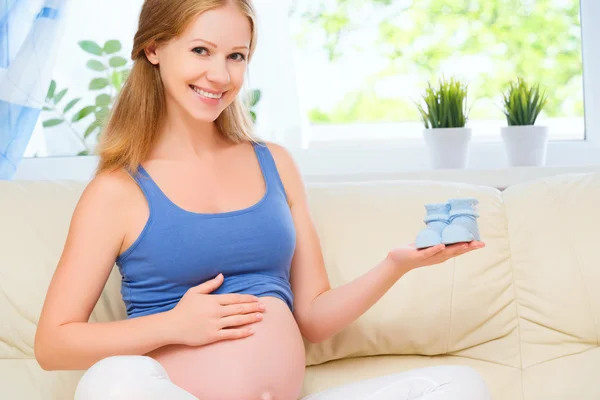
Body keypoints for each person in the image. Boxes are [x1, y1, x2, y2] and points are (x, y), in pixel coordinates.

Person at [33, 1, 491, 399]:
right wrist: (174, 326)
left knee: (460, 385)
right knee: (110, 383)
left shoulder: (274, 163)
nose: (221, 74)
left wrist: (397, 265)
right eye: (200, 51)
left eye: (237, 56)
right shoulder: (118, 190)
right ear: (153, 49)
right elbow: (53, 345)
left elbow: (311, 318)